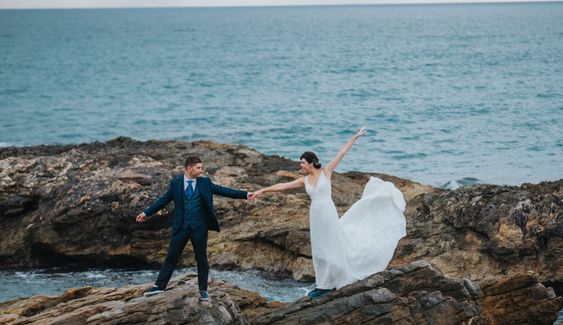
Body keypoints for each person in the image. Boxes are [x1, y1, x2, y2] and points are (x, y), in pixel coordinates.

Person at [252, 128, 406, 298]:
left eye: (302, 162)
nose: (300, 166)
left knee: (332, 246)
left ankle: (333, 281)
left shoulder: (326, 172)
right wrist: (262, 191)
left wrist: (354, 137)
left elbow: (342, 152)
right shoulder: (304, 180)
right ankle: (323, 284)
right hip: (316, 215)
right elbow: (282, 186)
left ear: (311, 163)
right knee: (319, 250)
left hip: (328, 213)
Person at [136, 156, 254, 301]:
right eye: (198, 167)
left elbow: (224, 191)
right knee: (171, 257)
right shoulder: (176, 183)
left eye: (201, 167)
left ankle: (203, 289)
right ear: (189, 168)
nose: (201, 170)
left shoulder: (205, 183)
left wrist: (246, 194)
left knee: (201, 259)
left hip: (199, 227)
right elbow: (163, 200)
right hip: (181, 227)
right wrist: (147, 213)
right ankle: (159, 287)